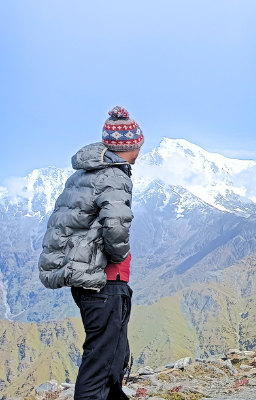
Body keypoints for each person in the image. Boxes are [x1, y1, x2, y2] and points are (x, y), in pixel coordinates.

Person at [39, 106, 143, 400]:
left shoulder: (85, 175)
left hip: (87, 282)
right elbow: (116, 226)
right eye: (138, 145)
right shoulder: (115, 177)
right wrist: (119, 257)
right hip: (106, 283)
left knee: (113, 358)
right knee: (101, 364)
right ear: (130, 146)